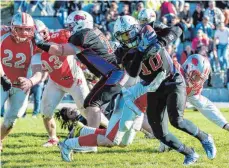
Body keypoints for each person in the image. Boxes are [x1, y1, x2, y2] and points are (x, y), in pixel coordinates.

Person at [113, 15, 216, 165]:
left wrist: (160, 42)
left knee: (177, 120)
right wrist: (141, 52)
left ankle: (205, 138)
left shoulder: (149, 28)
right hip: (154, 88)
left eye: (127, 34)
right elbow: (134, 72)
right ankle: (190, 153)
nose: (126, 39)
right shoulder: (122, 52)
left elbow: (178, 29)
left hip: (172, 79)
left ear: (135, 29)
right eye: (122, 36)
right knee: (159, 132)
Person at [35, 11, 128, 129]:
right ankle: (101, 134)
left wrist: (40, 43)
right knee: (128, 105)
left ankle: (94, 137)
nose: (69, 28)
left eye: (71, 25)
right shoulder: (92, 32)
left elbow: (60, 50)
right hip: (112, 73)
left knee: (92, 105)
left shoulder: (82, 36)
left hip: (112, 74)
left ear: (80, 23)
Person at [57, 71, 166, 162]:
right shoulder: (155, 76)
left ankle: (84, 130)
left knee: (124, 142)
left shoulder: (161, 77)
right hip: (129, 106)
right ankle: (68, 144)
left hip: (138, 107)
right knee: (110, 140)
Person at [33, 20, 108, 151]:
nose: (43, 36)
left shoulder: (60, 35)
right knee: (45, 111)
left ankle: (111, 129)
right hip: (55, 81)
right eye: (38, 34)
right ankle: (53, 138)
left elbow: (78, 37)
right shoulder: (32, 48)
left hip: (74, 79)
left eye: (44, 32)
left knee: (87, 110)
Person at [159, 54, 229, 151]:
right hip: (153, 96)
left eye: (201, 78)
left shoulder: (194, 86)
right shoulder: (174, 72)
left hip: (173, 97)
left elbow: (206, 106)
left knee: (200, 104)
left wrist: (225, 124)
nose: (198, 81)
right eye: (196, 76)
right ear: (188, 68)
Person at [0, 12, 43, 151]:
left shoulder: (35, 42)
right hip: (1, 81)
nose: (24, 32)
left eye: (27, 29)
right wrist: (2, 77)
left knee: (12, 120)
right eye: (20, 28)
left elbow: (39, 71)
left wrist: (31, 82)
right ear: (13, 27)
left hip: (20, 85)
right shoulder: (2, 34)